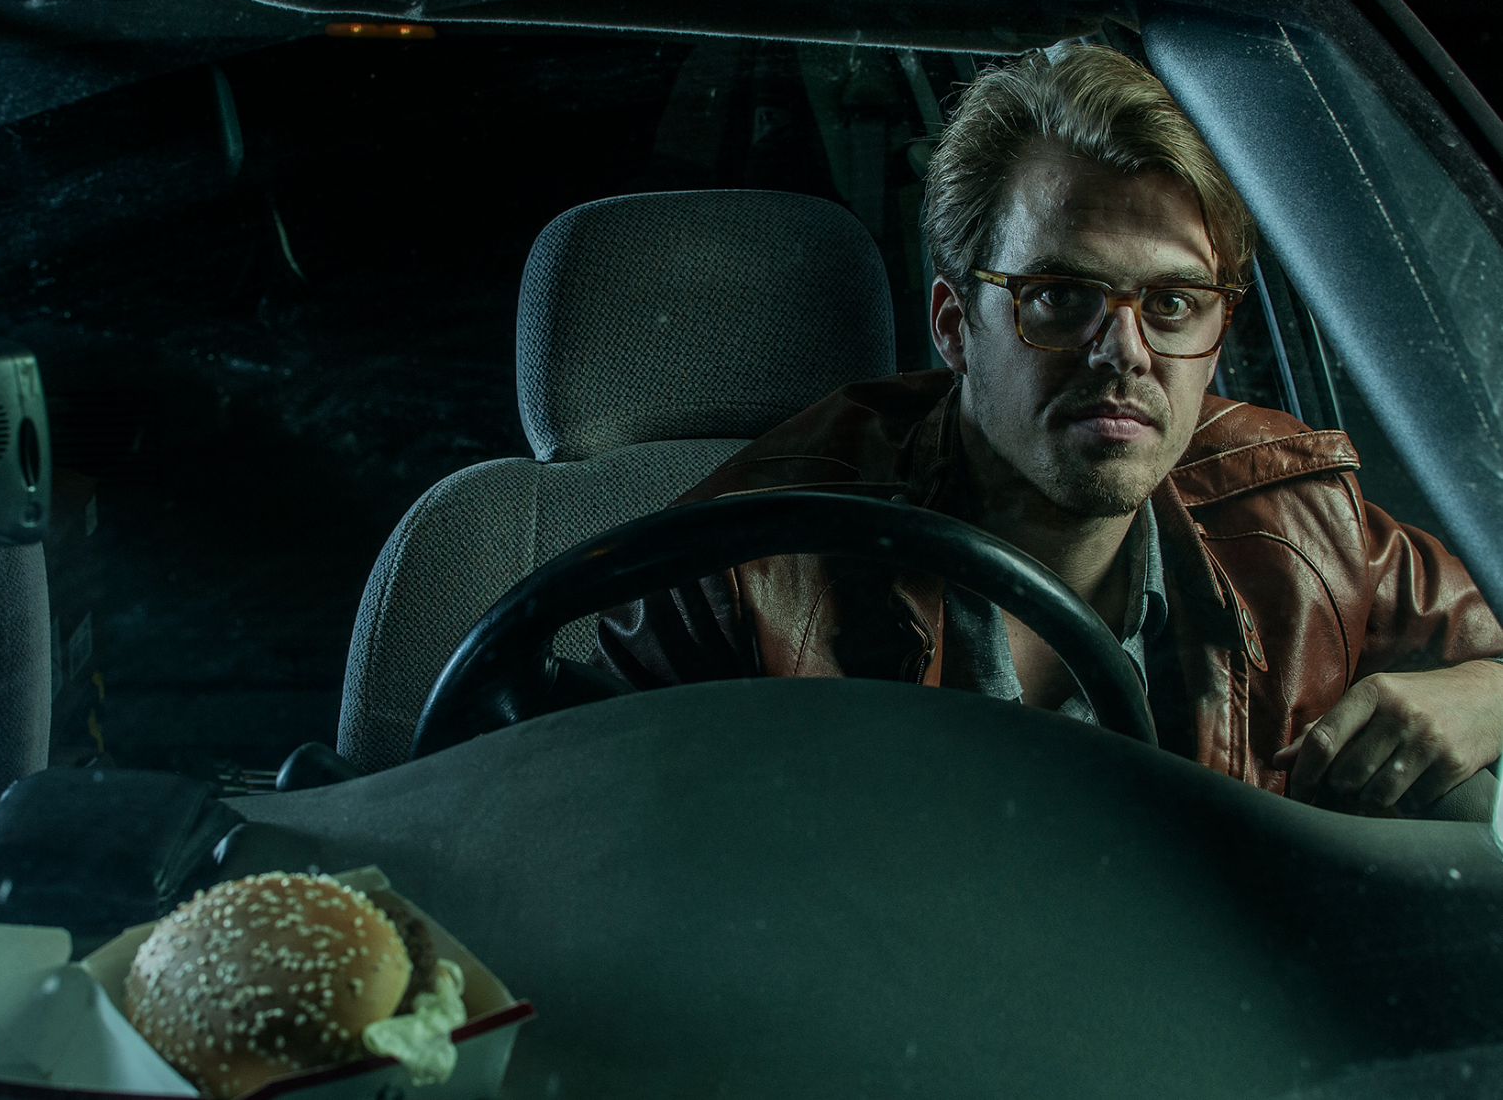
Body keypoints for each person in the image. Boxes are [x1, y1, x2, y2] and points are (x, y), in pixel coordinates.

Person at [593, 44, 1503, 816]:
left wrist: (1484, 697)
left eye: (1175, 303)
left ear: (1218, 332)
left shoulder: (1300, 527)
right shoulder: (745, 567)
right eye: (1060, 297)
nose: (1124, 354)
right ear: (956, 327)